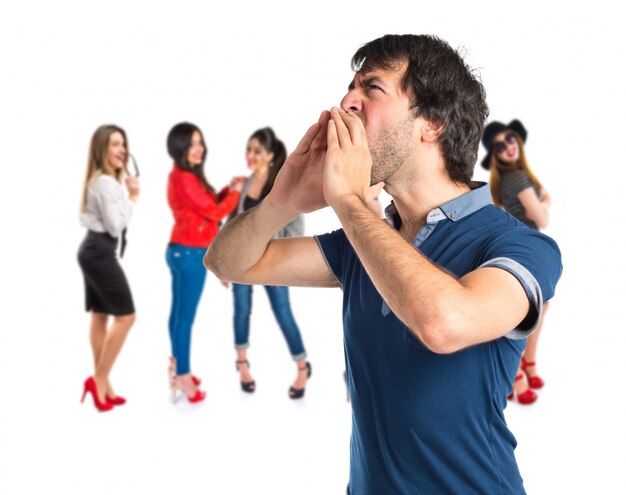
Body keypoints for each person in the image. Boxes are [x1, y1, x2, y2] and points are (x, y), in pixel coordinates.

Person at [204, 34, 562, 493]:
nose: (346, 103)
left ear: (431, 122)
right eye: (349, 88)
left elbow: (443, 323)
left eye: (371, 89)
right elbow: (228, 262)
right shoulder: (361, 245)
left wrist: (350, 202)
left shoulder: (518, 246)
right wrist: (282, 200)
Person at [227, 127, 311, 399]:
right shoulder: (244, 182)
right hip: (241, 261)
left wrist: (285, 266)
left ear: (270, 156)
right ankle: (242, 364)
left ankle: (301, 366)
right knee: (241, 311)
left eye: (257, 151)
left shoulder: (281, 186)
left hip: (272, 262)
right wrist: (223, 263)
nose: (250, 155)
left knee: (283, 313)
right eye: (248, 149)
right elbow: (233, 223)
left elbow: (296, 224)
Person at [165, 122, 243, 404]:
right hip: (188, 253)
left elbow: (207, 205)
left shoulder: (185, 177)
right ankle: (183, 376)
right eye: (192, 144)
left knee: (178, 315)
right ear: (179, 147)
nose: (199, 149)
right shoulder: (184, 178)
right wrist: (235, 193)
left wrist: (227, 189)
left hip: (181, 250)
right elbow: (214, 212)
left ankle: (177, 365)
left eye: (200, 142)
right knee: (184, 319)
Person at [482, 119, 552, 405]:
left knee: (538, 309)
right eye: (499, 145)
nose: (507, 146)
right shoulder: (519, 179)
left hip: (519, 247)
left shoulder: (510, 179)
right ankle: (515, 376)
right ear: (495, 154)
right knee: (525, 315)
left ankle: (528, 365)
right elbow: (542, 219)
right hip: (528, 249)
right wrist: (545, 201)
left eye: (510, 139)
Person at [78, 124, 139, 412]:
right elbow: (115, 227)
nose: (122, 150)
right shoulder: (106, 183)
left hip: (92, 250)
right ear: (102, 148)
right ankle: (98, 379)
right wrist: (133, 198)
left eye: (123, 144)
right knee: (127, 317)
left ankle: (104, 385)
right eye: (115, 144)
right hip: (100, 252)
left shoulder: (101, 180)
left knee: (101, 315)